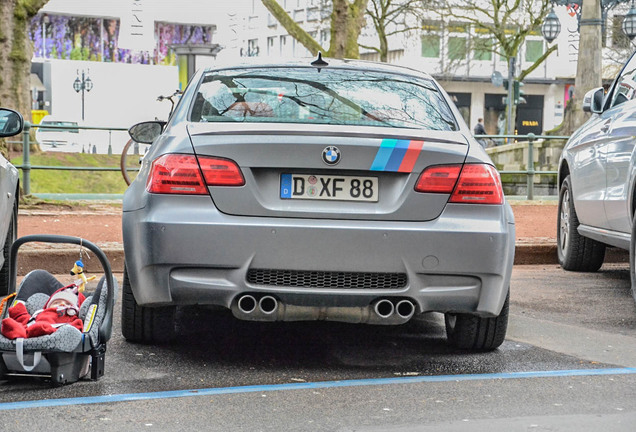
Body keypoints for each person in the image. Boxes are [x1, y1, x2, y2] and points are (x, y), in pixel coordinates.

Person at [1, 285, 85, 339]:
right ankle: (17, 331)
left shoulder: (71, 316)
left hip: (53, 332)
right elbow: (29, 321)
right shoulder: (41, 312)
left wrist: (68, 330)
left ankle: (19, 334)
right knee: (22, 320)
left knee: (40, 328)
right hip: (33, 327)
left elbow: (77, 326)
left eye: (67, 304)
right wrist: (20, 314)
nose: (62, 304)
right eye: (56, 302)